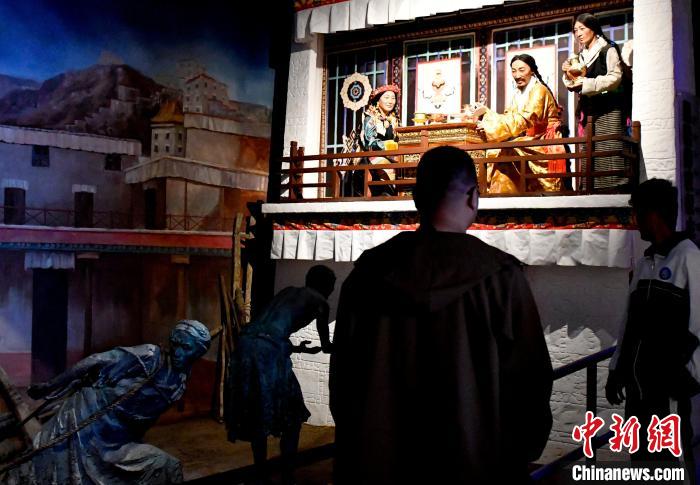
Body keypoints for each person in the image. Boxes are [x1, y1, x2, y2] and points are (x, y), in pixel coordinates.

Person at [330, 146, 553, 484]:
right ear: (473, 198)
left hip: (382, 463)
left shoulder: (368, 274)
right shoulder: (501, 276)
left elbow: (343, 380)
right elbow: (530, 383)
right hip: (475, 462)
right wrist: (518, 453)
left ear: (416, 198)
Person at [2, 320, 211, 485]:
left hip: (116, 438)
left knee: (162, 466)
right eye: (176, 343)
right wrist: (50, 386)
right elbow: (96, 360)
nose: (178, 352)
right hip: (86, 419)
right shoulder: (150, 356)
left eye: (186, 347)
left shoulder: (179, 384)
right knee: (49, 466)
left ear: (199, 352)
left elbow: (145, 418)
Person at [605, 179, 700, 473]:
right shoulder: (646, 263)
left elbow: (698, 327)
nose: (634, 221)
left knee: (669, 468)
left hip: (669, 395)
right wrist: (616, 370)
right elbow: (628, 322)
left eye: (637, 212)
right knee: (642, 466)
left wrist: (683, 379)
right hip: (638, 392)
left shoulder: (689, 259)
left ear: (653, 214)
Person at [225, 265, 335, 485]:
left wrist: (298, 348)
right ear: (325, 286)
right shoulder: (321, 302)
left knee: (257, 410)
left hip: (245, 346)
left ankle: (261, 472)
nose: (331, 291)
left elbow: (265, 331)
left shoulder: (288, 291)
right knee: (293, 415)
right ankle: (287, 475)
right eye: (331, 287)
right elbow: (326, 345)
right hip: (268, 352)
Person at [472, 54, 566, 194]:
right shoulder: (518, 94)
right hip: (529, 140)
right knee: (495, 151)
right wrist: (487, 115)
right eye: (514, 71)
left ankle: (505, 196)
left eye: (522, 70)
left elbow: (525, 119)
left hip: (542, 141)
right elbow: (509, 117)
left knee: (505, 152)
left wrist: (491, 125)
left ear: (532, 71)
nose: (517, 75)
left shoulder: (539, 90)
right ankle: (502, 195)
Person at [563, 13, 630, 191]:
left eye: (582, 29)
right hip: (589, 108)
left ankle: (613, 188)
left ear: (593, 28)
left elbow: (615, 78)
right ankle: (590, 188)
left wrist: (587, 83)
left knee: (608, 146)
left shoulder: (608, 49)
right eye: (575, 30)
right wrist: (567, 74)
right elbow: (574, 80)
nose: (578, 33)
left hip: (609, 107)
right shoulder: (579, 56)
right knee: (589, 149)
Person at [346, 84, 401, 197]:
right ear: (378, 100)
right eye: (386, 97)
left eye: (393, 98)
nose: (390, 101)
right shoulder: (370, 117)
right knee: (385, 165)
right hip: (369, 159)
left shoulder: (394, 120)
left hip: (389, 157)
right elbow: (369, 142)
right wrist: (388, 145)